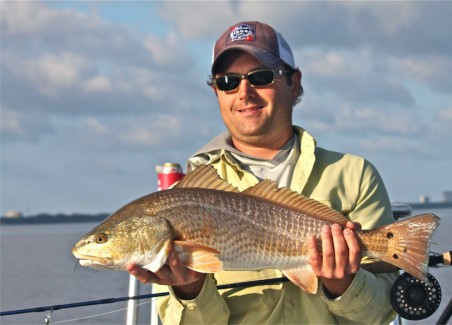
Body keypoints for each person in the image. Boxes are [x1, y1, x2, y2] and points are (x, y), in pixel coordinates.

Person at [128, 21, 397, 324]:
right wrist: (191, 288)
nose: (244, 92)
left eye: (260, 77)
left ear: (294, 83)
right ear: (216, 91)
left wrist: (342, 284)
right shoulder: (186, 197)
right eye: (228, 81)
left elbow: (383, 312)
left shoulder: (353, 174)